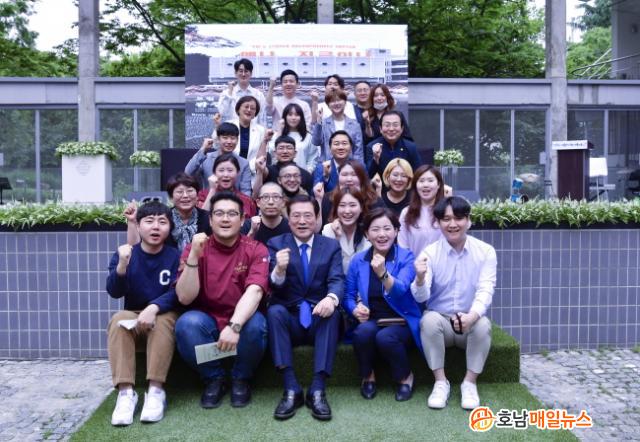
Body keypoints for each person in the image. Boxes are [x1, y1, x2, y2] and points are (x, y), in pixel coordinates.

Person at [174, 192, 270, 409]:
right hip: (207, 322)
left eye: (232, 214)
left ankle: (241, 377)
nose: (225, 219)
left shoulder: (256, 249)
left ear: (242, 220)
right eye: (219, 213)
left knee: (257, 325)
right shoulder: (196, 248)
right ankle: (214, 377)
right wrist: (193, 256)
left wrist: (234, 327)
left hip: (243, 322)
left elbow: (255, 291)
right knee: (187, 324)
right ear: (210, 220)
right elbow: (185, 297)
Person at [411, 196, 496, 410]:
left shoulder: (486, 251)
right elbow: (421, 297)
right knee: (428, 320)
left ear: (468, 220)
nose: (452, 224)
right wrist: (419, 278)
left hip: (469, 319)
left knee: (483, 324)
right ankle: (441, 382)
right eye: (446, 219)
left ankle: (469, 383)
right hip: (441, 321)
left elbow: (486, 289)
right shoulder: (429, 253)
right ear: (438, 223)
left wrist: (471, 317)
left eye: (458, 218)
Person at [266, 195, 345, 421]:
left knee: (333, 314)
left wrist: (331, 298)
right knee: (274, 311)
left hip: (319, 317)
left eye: (308, 215)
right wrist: (279, 270)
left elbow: (337, 279)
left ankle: (317, 390)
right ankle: (291, 388)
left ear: (317, 218)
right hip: (289, 318)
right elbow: (273, 286)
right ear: (288, 218)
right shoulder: (276, 244)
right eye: (296, 216)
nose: (302, 221)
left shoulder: (330, 246)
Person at [106, 201, 181, 426]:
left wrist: (154, 307)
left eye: (162, 222)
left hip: (164, 312)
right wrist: (121, 266)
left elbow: (178, 292)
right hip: (133, 313)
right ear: (138, 226)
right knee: (118, 320)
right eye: (149, 221)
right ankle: (126, 393)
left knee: (163, 322)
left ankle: (156, 391)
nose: (155, 227)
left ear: (170, 227)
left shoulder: (176, 256)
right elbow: (114, 291)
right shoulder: (125, 254)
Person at [343, 208, 422, 401]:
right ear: (366, 234)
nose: (381, 234)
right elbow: (348, 296)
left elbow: (400, 290)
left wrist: (383, 274)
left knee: (385, 338)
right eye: (375, 229)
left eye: (387, 228)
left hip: (401, 320)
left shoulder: (406, 257)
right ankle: (368, 376)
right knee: (362, 333)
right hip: (373, 319)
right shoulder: (358, 260)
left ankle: (405, 377)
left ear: (396, 231)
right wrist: (355, 309)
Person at [124, 172, 212, 253]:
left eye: (190, 191)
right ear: (171, 198)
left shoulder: (208, 218)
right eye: (179, 192)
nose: (185, 196)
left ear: (197, 196)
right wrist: (132, 221)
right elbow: (136, 249)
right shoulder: (162, 218)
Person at [184, 123, 252, 195]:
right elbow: (188, 173)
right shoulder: (206, 158)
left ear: (237, 140)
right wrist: (203, 149)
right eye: (225, 138)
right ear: (218, 139)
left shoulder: (243, 163)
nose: (229, 142)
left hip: (234, 201)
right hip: (208, 200)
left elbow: (246, 191)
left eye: (232, 138)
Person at [212, 95, 271, 178]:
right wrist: (218, 126)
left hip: (251, 174)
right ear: (238, 109)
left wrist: (246, 168)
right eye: (246, 107)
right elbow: (216, 146)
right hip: (227, 173)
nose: (249, 110)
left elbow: (262, 156)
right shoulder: (229, 124)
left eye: (252, 108)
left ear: (255, 113)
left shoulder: (261, 130)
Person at [316, 159, 384, 228]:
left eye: (354, 175)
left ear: (361, 178)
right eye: (344, 175)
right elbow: (318, 228)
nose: (349, 179)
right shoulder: (328, 198)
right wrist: (318, 199)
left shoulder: (374, 200)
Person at [398, 165, 444, 258]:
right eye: (421, 181)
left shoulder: (446, 211)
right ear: (415, 185)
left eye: (430, 180)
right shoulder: (406, 213)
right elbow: (402, 247)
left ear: (438, 184)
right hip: (413, 265)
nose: (425, 185)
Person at [321, 187, 370, 273]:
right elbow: (325, 267)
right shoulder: (328, 230)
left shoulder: (369, 231)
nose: (347, 211)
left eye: (352, 205)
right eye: (342, 205)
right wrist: (336, 239)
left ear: (361, 208)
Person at [366, 111, 424, 181]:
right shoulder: (372, 147)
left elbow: (418, 174)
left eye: (395, 125)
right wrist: (376, 158)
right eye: (387, 125)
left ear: (402, 129)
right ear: (380, 129)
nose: (391, 129)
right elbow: (368, 176)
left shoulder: (410, 147)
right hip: (381, 187)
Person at [311, 90, 364, 164]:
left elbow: (358, 151)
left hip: (349, 166)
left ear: (345, 102)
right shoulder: (323, 123)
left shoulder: (355, 125)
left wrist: (357, 168)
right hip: (328, 165)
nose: (336, 103)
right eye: (332, 101)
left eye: (339, 100)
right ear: (328, 105)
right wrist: (319, 121)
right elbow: (316, 142)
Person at [198, 153, 257, 218]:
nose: (226, 175)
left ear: (237, 173)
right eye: (221, 170)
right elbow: (202, 219)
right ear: (214, 173)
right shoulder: (203, 196)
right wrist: (212, 190)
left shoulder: (246, 200)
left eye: (230, 170)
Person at [269, 102, 318, 173]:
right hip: (280, 175)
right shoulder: (277, 134)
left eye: (297, 115)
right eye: (290, 115)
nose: (293, 118)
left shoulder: (308, 136)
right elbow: (272, 153)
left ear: (301, 117)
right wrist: (279, 131)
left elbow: (312, 158)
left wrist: (307, 173)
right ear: (285, 117)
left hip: (302, 175)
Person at [216, 58, 267, 126]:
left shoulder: (258, 95)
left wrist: (263, 131)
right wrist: (230, 94)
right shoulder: (226, 94)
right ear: (235, 73)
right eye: (240, 71)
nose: (243, 74)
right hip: (232, 131)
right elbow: (222, 112)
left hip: (253, 131)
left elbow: (262, 118)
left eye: (246, 71)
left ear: (251, 73)